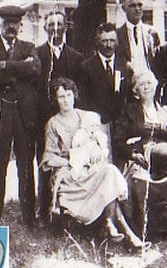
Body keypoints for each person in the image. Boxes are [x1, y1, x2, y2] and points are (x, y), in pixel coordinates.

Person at [41, 77, 147, 249]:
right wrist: (73, 160)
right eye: (61, 97)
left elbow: (99, 141)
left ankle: (110, 223)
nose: (66, 100)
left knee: (110, 171)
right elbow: (49, 158)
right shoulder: (52, 124)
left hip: (91, 169)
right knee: (108, 178)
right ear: (56, 99)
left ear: (75, 95)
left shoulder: (86, 117)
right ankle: (124, 231)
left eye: (69, 95)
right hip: (71, 174)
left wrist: (96, 151)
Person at [0, 5, 40, 227]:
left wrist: (6, 65)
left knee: (26, 165)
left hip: (23, 114)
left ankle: (29, 217)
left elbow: (35, 69)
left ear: (20, 25)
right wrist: (19, 72)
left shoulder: (29, 47)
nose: (11, 27)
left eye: (15, 23)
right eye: (6, 23)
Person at [113, 70, 167, 235]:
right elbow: (118, 139)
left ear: (155, 86)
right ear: (136, 91)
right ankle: (144, 227)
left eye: (149, 83)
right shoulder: (129, 110)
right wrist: (132, 154)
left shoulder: (165, 111)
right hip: (138, 155)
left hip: (164, 157)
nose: (146, 87)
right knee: (139, 178)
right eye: (141, 85)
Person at [34, 10, 84, 223]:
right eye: (51, 25)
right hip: (43, 119)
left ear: (66, 27)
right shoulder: (37, 55)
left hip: (67, 119)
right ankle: (45, 208)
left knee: (71, 161)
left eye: (59, 25)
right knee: (46, 160)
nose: (55, 29)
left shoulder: (75, 56)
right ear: (45, 28)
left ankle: (69, 208)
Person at [78, 23, 132, 141]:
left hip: (121, 127)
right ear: (97, 42)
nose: (109, 45)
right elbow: (84, 102)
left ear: (117, 42)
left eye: (112, 41)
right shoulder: (86, 67)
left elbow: (129, 97)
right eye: (104, 41)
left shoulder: (124, 66)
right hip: (98, 125)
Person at [116, 0, 160, 73]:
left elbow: (158, 60)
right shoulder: (117, 35)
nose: (137, 9)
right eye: (132, 6)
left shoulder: (152, 32)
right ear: (123, 8)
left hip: (149, 79)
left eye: (140, 5)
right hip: (128, 79)